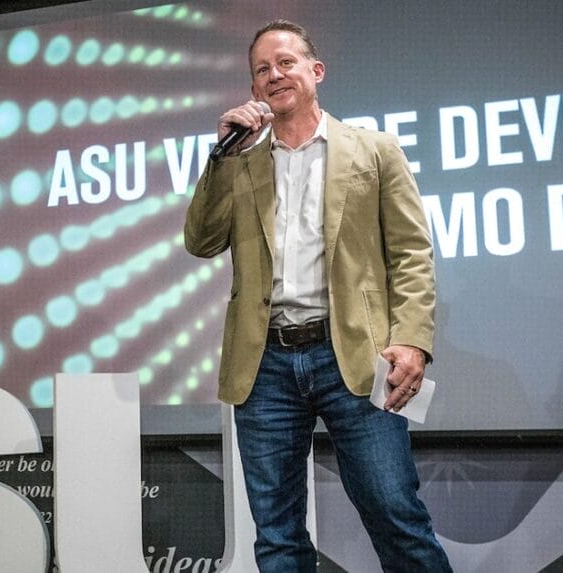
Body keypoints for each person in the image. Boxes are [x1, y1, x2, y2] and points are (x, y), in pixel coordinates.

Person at [184, 20, 452, 572]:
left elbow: (411, 252)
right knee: (277, 534)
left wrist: (413, 341)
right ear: (255, 90)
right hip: (265, 367)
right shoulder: (239, 164)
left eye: (285, 62)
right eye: (262, 70)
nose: (274, 75)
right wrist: (219, 157)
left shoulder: (373, 150)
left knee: (394, 512)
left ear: (315, 71)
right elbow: (201, 240)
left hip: (352, 354)